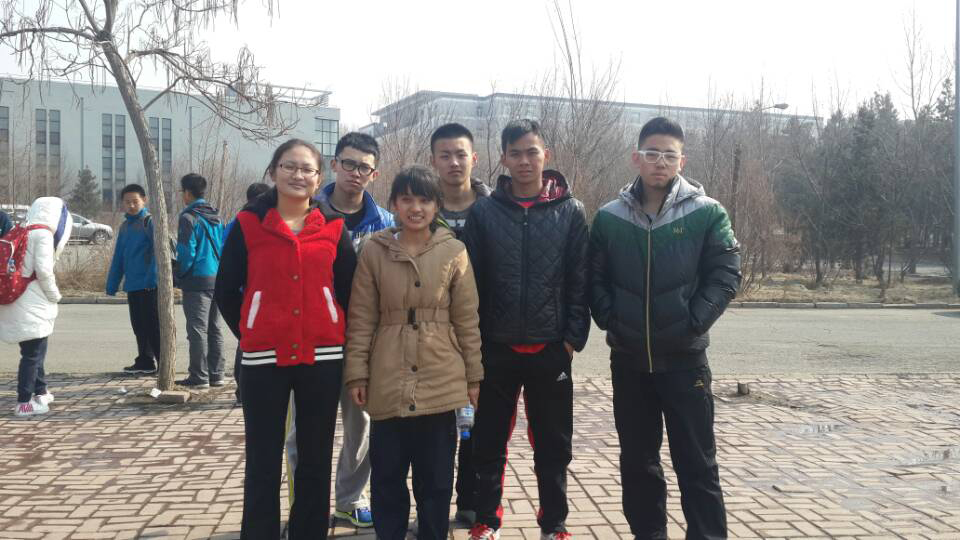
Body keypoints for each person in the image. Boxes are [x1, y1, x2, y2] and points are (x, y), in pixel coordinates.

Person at [589, 117, 741, 539]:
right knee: (638, 463)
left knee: (697, 463)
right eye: (652, 153)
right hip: (630, 362)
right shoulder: (610, 218)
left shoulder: (707, 213)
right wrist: (612, 319)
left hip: (685, 362)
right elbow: (594, 277)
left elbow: (726, 273)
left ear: (681, 161)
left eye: (669, 155)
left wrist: (694, 322)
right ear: (636, 158)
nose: (660, 162)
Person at [214, 139, 357, 539]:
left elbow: (349, 291)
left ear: (319, 177)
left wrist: (334, 326)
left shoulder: (333, 227)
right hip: (263, 359)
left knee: (315, 457)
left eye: (307, 169)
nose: (298, 175)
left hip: (322, 357)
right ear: (273, 171)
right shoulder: (248, 224)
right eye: (289, 166)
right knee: (262, 457)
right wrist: (253, 329)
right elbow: (226, 290)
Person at [463, 119, 590, 540]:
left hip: (550, 348)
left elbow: (580, 279)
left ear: (545, 156)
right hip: (496, 348)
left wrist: (571, 340)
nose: (524, 160)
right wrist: (476, 344)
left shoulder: (570, 211)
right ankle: (487, 519)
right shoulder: (484, 212)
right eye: (515, 153)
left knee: (552, 444)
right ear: (503, 158)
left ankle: (554, 523)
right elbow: (471, 283)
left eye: (531, 152)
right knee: (489, 441)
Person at [345, 165, 482, 540]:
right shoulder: (374, 250)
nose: (416, 208)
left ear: (437, 205)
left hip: (441, 378)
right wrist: (357, 373)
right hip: (388, 377)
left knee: (436, 479)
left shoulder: (454, 250)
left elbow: (467, 320)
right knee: (387, 476)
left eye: (424, 200)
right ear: (394, 203)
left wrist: (474, 377)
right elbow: (361, 317)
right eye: (407, 199)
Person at [285, 132, 393, 528]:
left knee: (360, 426)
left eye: (364, 167)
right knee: (302, 431)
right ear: (333, 165)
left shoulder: (386, 225)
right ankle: (303, 507)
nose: (355, 173)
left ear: (374, 174)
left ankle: (350, 499)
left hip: (362, 342)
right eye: (348, 163)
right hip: (310, 341)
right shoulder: (304, 212)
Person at [428, 122, 491, 525]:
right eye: (445, 155)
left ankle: (470, 498)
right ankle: (432, 506)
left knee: (479, 422)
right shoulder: (420, 210)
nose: (454, 162)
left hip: (484, 334)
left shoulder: (495, 210)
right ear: (434, 160)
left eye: (461, 154)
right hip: (431, 336)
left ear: (474, 158)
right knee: (435, 426)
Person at [0, 197, 73, 416]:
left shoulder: (23, 229)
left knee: (34, 350)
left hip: (17, 299)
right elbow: (44, 271)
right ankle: (23, 403)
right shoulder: (43, 234)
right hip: (32, 302)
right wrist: (55, 295)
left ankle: (41, 392)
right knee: (33, 354)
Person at [175, 173, 225, 389]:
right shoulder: (216, 217)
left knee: (197, 330)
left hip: (196, 280)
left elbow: (187, 251)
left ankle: (199, 376)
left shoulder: (188, 218)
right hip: (216, 278)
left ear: (187, 193)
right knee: (214, 328)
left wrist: (180, 274)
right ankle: (217, 374)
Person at [105, 184, 161, 375]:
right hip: (133, 284)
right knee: (138, 325)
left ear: (144, 200)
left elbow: (159, 253)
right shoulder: (125, 227)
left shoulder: (150, 222)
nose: (131, 205)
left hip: (150, 285)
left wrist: (152, 279)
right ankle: (145, 361)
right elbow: (119, 257)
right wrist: (112, 284)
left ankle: (163, 362)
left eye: (135, 201)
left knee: (153, 326)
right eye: (127, 202)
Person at [224, 182, 271, 404]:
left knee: (247, 343)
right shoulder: (243, 222)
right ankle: (244, 391)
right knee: (247, 343)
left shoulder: (239, 221)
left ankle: (244, 391)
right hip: (250, 294)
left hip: (253, 294)